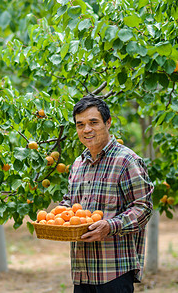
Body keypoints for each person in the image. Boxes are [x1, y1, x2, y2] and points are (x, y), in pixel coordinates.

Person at [60, 94, 154, 293]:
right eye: (80, 124)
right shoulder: (77, 164)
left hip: (114, 270)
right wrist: (58, 216)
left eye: (93, 122)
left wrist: (110, 226)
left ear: (108, 122)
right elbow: (70, 203)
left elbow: (143, 208)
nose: (86, 129)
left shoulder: (126, 161)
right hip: (82, 270)